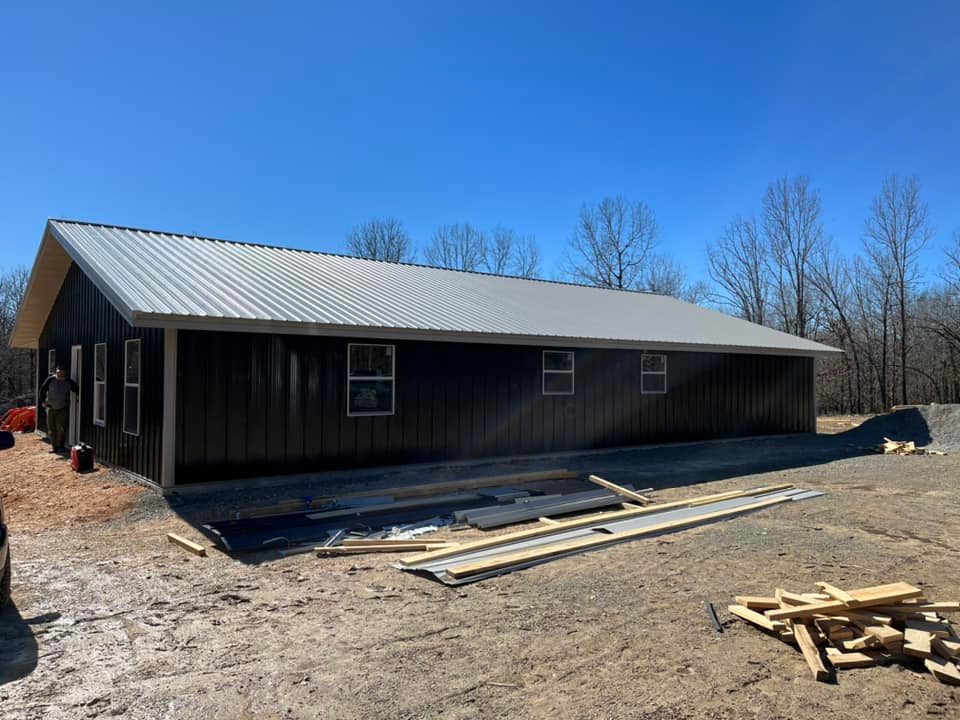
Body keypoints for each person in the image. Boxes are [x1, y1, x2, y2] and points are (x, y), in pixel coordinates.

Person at [39, 365, 79, 453]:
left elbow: (77, 389)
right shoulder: (50, 380)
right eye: (58, 372)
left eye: (62, 373)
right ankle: (54, 447)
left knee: (61, 428)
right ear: (56, 372)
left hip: (63, 408)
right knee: (51, 428)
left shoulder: (69, 382)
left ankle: (61, 446)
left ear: (64, 373)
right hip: (50, 407)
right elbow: (42, 390)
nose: (60, 374)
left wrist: (78, 397)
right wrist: (43, 401)